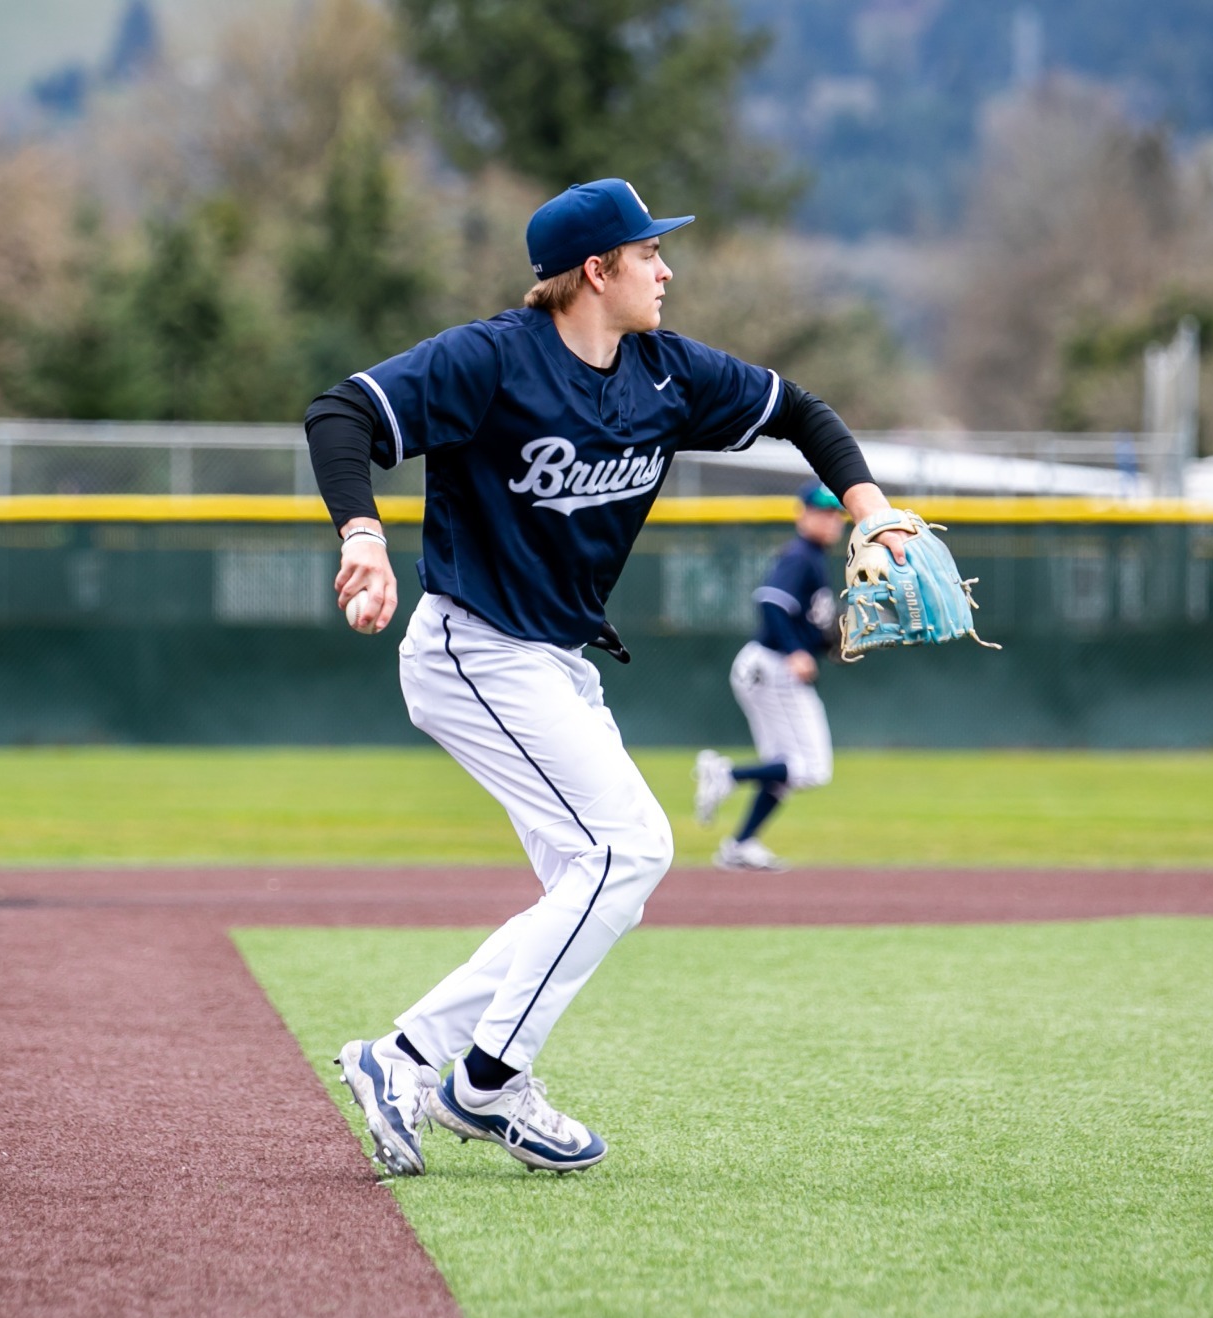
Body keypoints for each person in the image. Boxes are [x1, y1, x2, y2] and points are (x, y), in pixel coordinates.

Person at [303, 178, 909, 1176]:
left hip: (556, 661)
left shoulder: (665, 374)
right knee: (630, 847)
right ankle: (489, 1084)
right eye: (647, 253)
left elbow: (798, 408)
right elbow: (341, 412)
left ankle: (401, 1055)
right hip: (473, 646)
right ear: (596, 271)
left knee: (591, 885)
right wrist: (362, 532)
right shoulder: (491, 359)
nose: (665, 268)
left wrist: (869, 504)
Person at [693, 483, 845, 871]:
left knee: (784, 767)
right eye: (821, 512)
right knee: (811, 768)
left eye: (835, 514)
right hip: (772, 666)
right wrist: (796, 649)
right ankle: (725, 773)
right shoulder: (800, 555)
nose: (829, 520)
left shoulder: (813, 558)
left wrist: (822, 641)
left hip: (767, 667)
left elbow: (804, 617)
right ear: (802, 514)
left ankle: (740, 846)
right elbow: (771, 601)